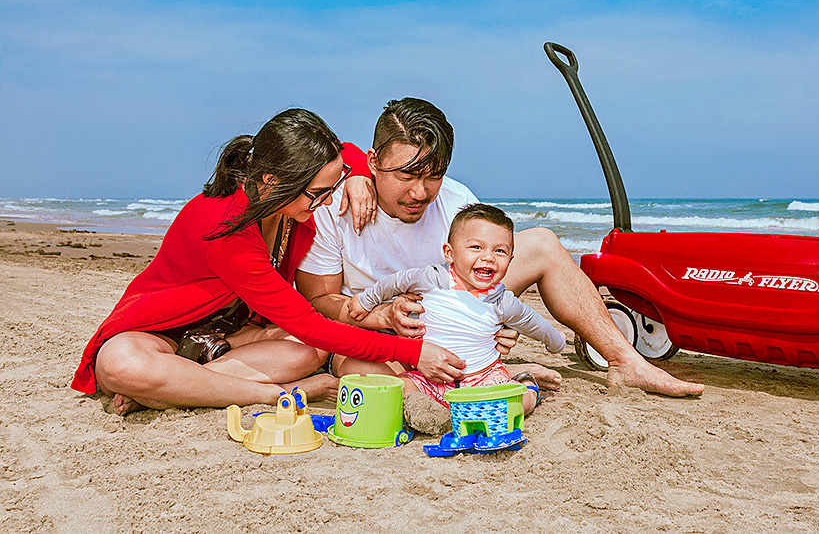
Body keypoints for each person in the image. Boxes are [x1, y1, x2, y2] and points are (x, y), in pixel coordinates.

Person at [296, 98, 704, 398]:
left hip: (456, 312)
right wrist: (381, 314)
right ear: (373, 160)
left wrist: (491, 317)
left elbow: (488, 264)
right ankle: (493, 378)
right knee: (372, 377)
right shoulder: (338, 206)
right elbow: (317, 301)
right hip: (380, 331)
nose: (420, 191)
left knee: (542, 242)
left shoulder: (457, 200)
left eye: (433, 176)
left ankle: (624, 361)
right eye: (407, 174)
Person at [71, 108, 464, 415]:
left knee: (308, 351)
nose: (327, 202)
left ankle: (176, 388)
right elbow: (308, 323)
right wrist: (413, 354)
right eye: (318, 194)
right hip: (167, 334)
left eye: (332, 187)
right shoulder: (225, 228)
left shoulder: (288, 193)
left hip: (232, 339)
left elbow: (347, 150)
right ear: (273, 183)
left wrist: (359, 174)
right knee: (119, 365)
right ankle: (273, 395)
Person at [346, 203, 567, 432]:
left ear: (510, 260)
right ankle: (436, 413)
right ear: (449, 253)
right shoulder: (431, 279)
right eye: (476, 247)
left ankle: (529, 388)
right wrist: (366, 300)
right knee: (399, 388)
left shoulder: (502, 302)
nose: (489, 258)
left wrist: (556, 341)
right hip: (429, 376)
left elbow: (535, 324)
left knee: (508, 406)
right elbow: (394, 283)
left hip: (482, 379)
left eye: (499, 251)